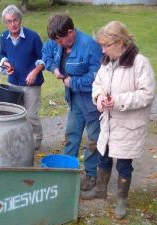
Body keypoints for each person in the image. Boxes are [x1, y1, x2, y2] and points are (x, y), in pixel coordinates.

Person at [80, 21, 156, 219]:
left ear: (120, 42)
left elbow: (147, 94)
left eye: (106, 45)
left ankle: (121, 200)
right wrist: (99, 98)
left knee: (123, 164)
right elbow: (97, 84)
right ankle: (100, 190)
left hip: (128, 125)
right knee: (103, 156)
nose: (103, 50)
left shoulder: (140, 63)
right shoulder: (107, 62)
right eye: (102, 46)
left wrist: (118, 101)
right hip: (108, 122)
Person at [42, 14, 102, 191]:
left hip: (91, 100)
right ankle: (68, 171)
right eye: (56, 41)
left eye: (60, 41)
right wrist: (54, 68)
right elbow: (45, 52)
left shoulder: (90, 46)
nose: (57, 44)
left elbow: (98, 77)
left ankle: (91, 175)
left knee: (93, 140)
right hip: (75, 99)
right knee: (72, 135)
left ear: (70, 32)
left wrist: (73, 82)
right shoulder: (56, 39)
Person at [0, 5, 44, 150]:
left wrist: (34, 72)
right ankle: (20, 140)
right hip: (13, 84)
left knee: (31, 115)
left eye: (15, 20)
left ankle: (36, 140)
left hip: (32, 84)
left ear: (20, 20)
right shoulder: (3, 37)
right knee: (15, 115)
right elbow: (2, 55)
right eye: (9, 21)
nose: (13, 24)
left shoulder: (33, 36)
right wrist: (5, 64)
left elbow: (43, 59)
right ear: (5, 23)